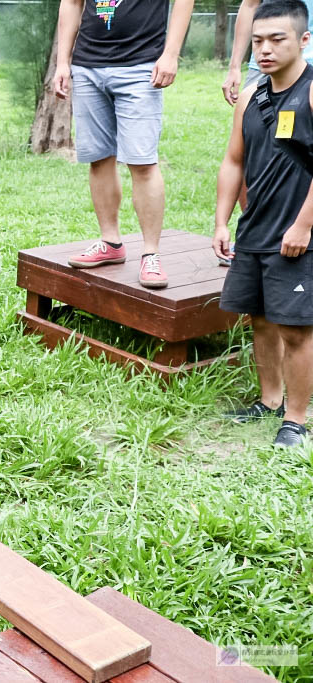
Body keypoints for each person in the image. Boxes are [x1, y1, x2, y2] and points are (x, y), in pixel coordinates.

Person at [214, 0, 313, 448]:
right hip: (254, 227)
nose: (265, 50)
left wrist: (304, 226)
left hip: (298, 233)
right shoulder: (252, 94)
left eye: (277, 39)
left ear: (304, 40)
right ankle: (269, 399)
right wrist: (221, 221)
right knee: (260, 320)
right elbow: (234, 161)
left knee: (295, 328)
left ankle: (295, 419)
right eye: (258, 41)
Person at [53, 0, 194, 288]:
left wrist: (171, 54)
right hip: (87, 65)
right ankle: (111, 242)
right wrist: (62, 62)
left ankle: (151, 254)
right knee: (99, 158)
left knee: (142, 162)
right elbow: (71, 3)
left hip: (141, 65)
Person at [223, 0, 313, 104]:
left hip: (308, 61)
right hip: (263, 66)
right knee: (249, 108)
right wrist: (234, 67)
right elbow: (249, 6)